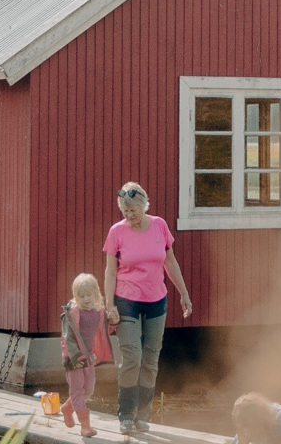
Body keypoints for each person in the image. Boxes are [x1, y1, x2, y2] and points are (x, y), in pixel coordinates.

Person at [103, 182, 192, 434]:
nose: (130, 215)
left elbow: (170, 262)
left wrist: (184, 293)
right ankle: (125, 414)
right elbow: (110, 271)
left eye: (133, 210)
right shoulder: (116, 232)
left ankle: (142, 415)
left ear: (144, 205)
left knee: (151, 359)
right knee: (132, 357)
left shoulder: (159, 226)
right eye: (125, 211)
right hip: (126, 301)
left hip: (156, 300)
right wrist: (109, 305)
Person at [59, 273, 114, 437]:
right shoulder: (73, 313)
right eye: (82, 296)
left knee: (88, 390)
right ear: (76, 296)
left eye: (89, 295)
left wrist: (114, 320)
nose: (86, 299)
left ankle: (67, 408)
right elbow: (67, 337)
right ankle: (85, 427)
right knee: (77, 390)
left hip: (89, 357)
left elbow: (103, 331)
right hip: (74, 357)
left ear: (96, 294)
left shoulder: (99, 311)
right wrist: (75, 356)